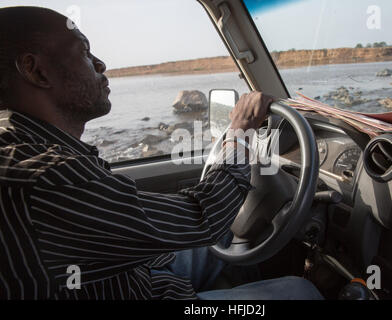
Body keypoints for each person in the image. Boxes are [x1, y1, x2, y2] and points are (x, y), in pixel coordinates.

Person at [0, 6, 322, 300]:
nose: (101, 64)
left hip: (131, 274)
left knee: (230, 237)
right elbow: (204, 216)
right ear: (36, 71)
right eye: (84, 52)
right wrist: (239, 130)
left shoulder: (22, 145)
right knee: (302, 291)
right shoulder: (48, 178)